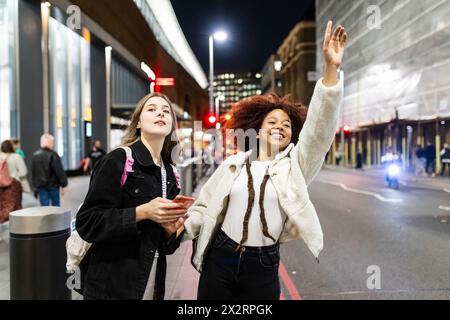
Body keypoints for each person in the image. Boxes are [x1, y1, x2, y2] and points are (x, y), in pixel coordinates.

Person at [181, 21, 347, 300]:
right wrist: (179, 229)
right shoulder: (231, 166)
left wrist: (331, 69)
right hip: (220, 259)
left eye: (286, 125)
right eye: (272, 121)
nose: (280, 126)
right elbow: (204, 208)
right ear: (257, 130)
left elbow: (319, 130)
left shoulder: (296, 165)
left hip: (263, 265)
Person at [76, 93, 188, 300]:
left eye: (166, 111)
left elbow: (166, 247)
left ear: (172, 125)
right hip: (111, 286)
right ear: (138, 122)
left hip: (152, 283)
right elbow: (87, 222)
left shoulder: (171, 173)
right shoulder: (118, 160)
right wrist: (141, 212)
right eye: (152, 109)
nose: (160, 113)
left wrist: (171, 231)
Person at [31, 134, 68, 206]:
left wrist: (35, 186)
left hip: (41, 186)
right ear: (50, 143)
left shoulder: (35, 155)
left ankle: (46, 218)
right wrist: (63, 184)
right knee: (55, 206)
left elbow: (33, 172)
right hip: (53, 185)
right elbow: (59, 171)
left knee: (44, 206)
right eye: (52, 142)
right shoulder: (53, 155)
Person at [0, 140, 28, 223]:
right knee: (15, 206)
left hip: (1, 184)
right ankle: (16, 225)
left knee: (2, 204)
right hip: (14, 185)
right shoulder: (16, 157)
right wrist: (15, 175)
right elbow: (23, 172)